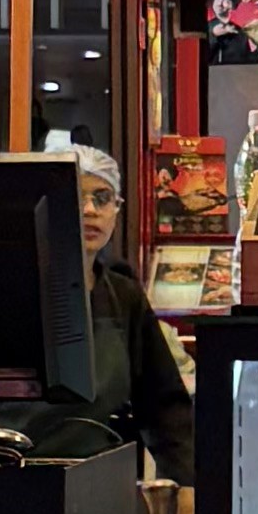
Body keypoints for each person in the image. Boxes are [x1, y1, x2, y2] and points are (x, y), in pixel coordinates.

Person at [55, 138, 195, 483]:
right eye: (75, 195)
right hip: (18, 480)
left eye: (101, 198)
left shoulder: (124, 296)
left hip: (107, 486)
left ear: (116, 209)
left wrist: (187, 492)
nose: (89, 210)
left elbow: (166, 409)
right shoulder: (17, 292)